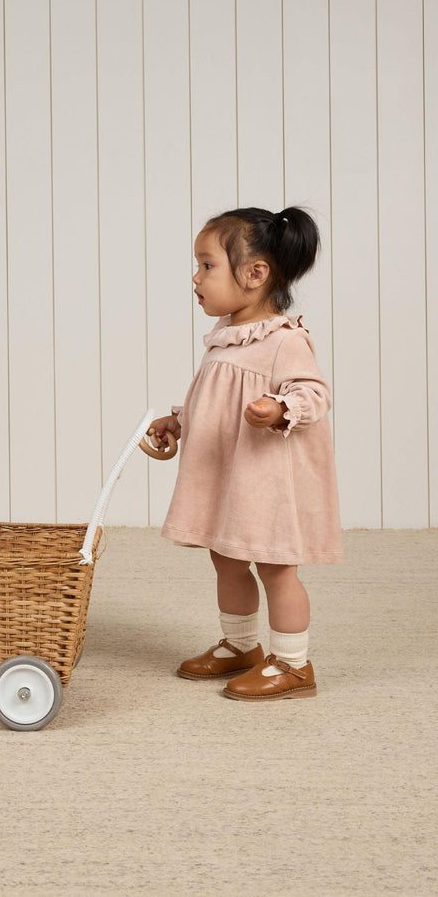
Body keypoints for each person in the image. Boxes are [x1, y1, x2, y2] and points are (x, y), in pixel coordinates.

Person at [150, 206, 342, 701]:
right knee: (227, 557)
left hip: (267, 479)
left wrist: (280, 408)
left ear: (255, 274)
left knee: (276, 566)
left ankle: (294, 664)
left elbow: (314, 394)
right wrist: (178, 419)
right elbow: (212, 398)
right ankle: (241, 645)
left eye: (207, 265)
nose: (196, 278)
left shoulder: (283, 339)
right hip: (229, 476)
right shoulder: (226, 338)